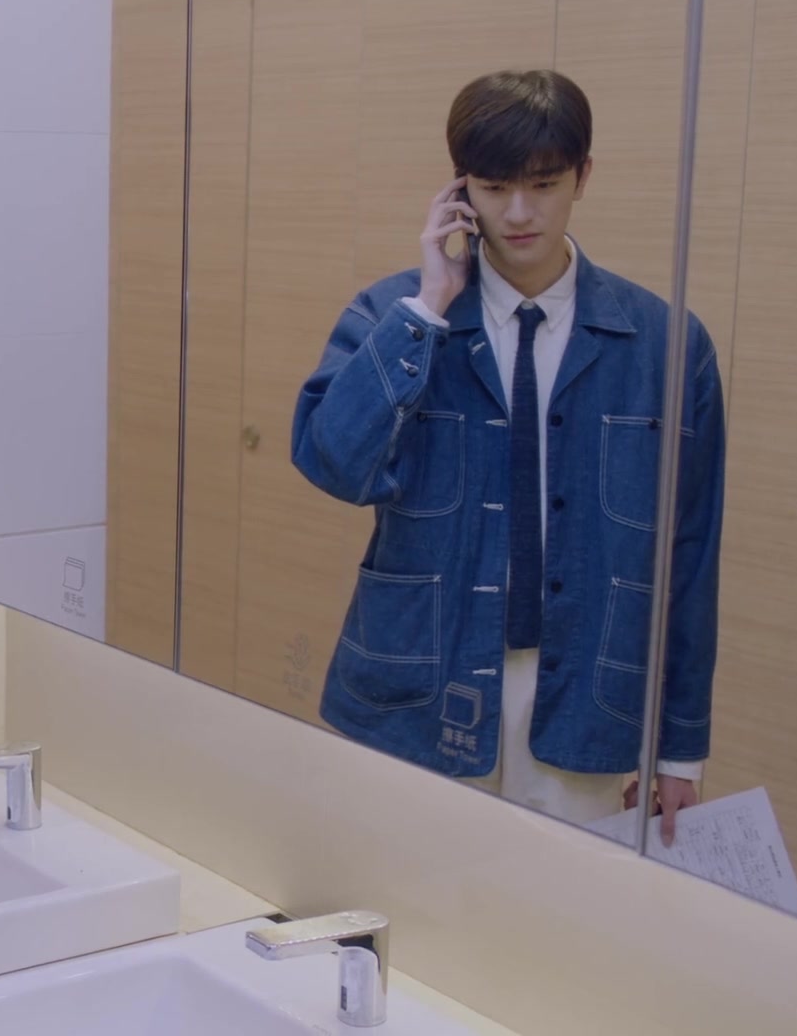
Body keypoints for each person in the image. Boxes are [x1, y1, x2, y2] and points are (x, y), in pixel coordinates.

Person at [290, 70, 724, 839]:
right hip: (421, 682)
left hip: (585, 696)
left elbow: (689, 552)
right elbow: (334, 462)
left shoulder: (667, 345)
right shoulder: (395, 314)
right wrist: (426, 309)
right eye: (494, 188)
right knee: (402, 890)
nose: (519, 213)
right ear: (461, 190)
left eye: (544, 185)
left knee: (551, 908)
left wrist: (679, 747)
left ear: (582, 177)